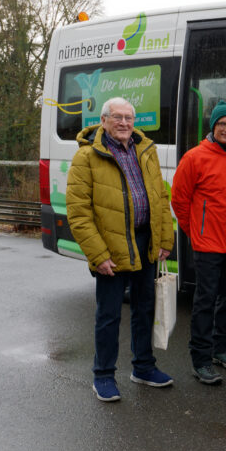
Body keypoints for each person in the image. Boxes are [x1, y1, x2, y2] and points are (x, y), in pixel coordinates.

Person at [66, 97, 174, 402]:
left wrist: (165, 239)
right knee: (109, 314)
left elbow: (160, 199)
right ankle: (103, 376)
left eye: (129, 117)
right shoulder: (87, 157)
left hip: (145, 242)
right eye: (117, 117)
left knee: (144, 309)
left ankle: (143, 367)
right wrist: (98, 255)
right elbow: (78, 212)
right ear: (103, 121)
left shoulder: (146, 150)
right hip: (111, 247)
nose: (124, 123)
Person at [171, 100, 226, 385]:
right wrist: (195, 232)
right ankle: (201, 359)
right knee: (205, 301)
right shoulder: (195, 157)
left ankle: (221, 350)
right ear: (213, 128)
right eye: (222, 124)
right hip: (207, 244)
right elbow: (179, 200)